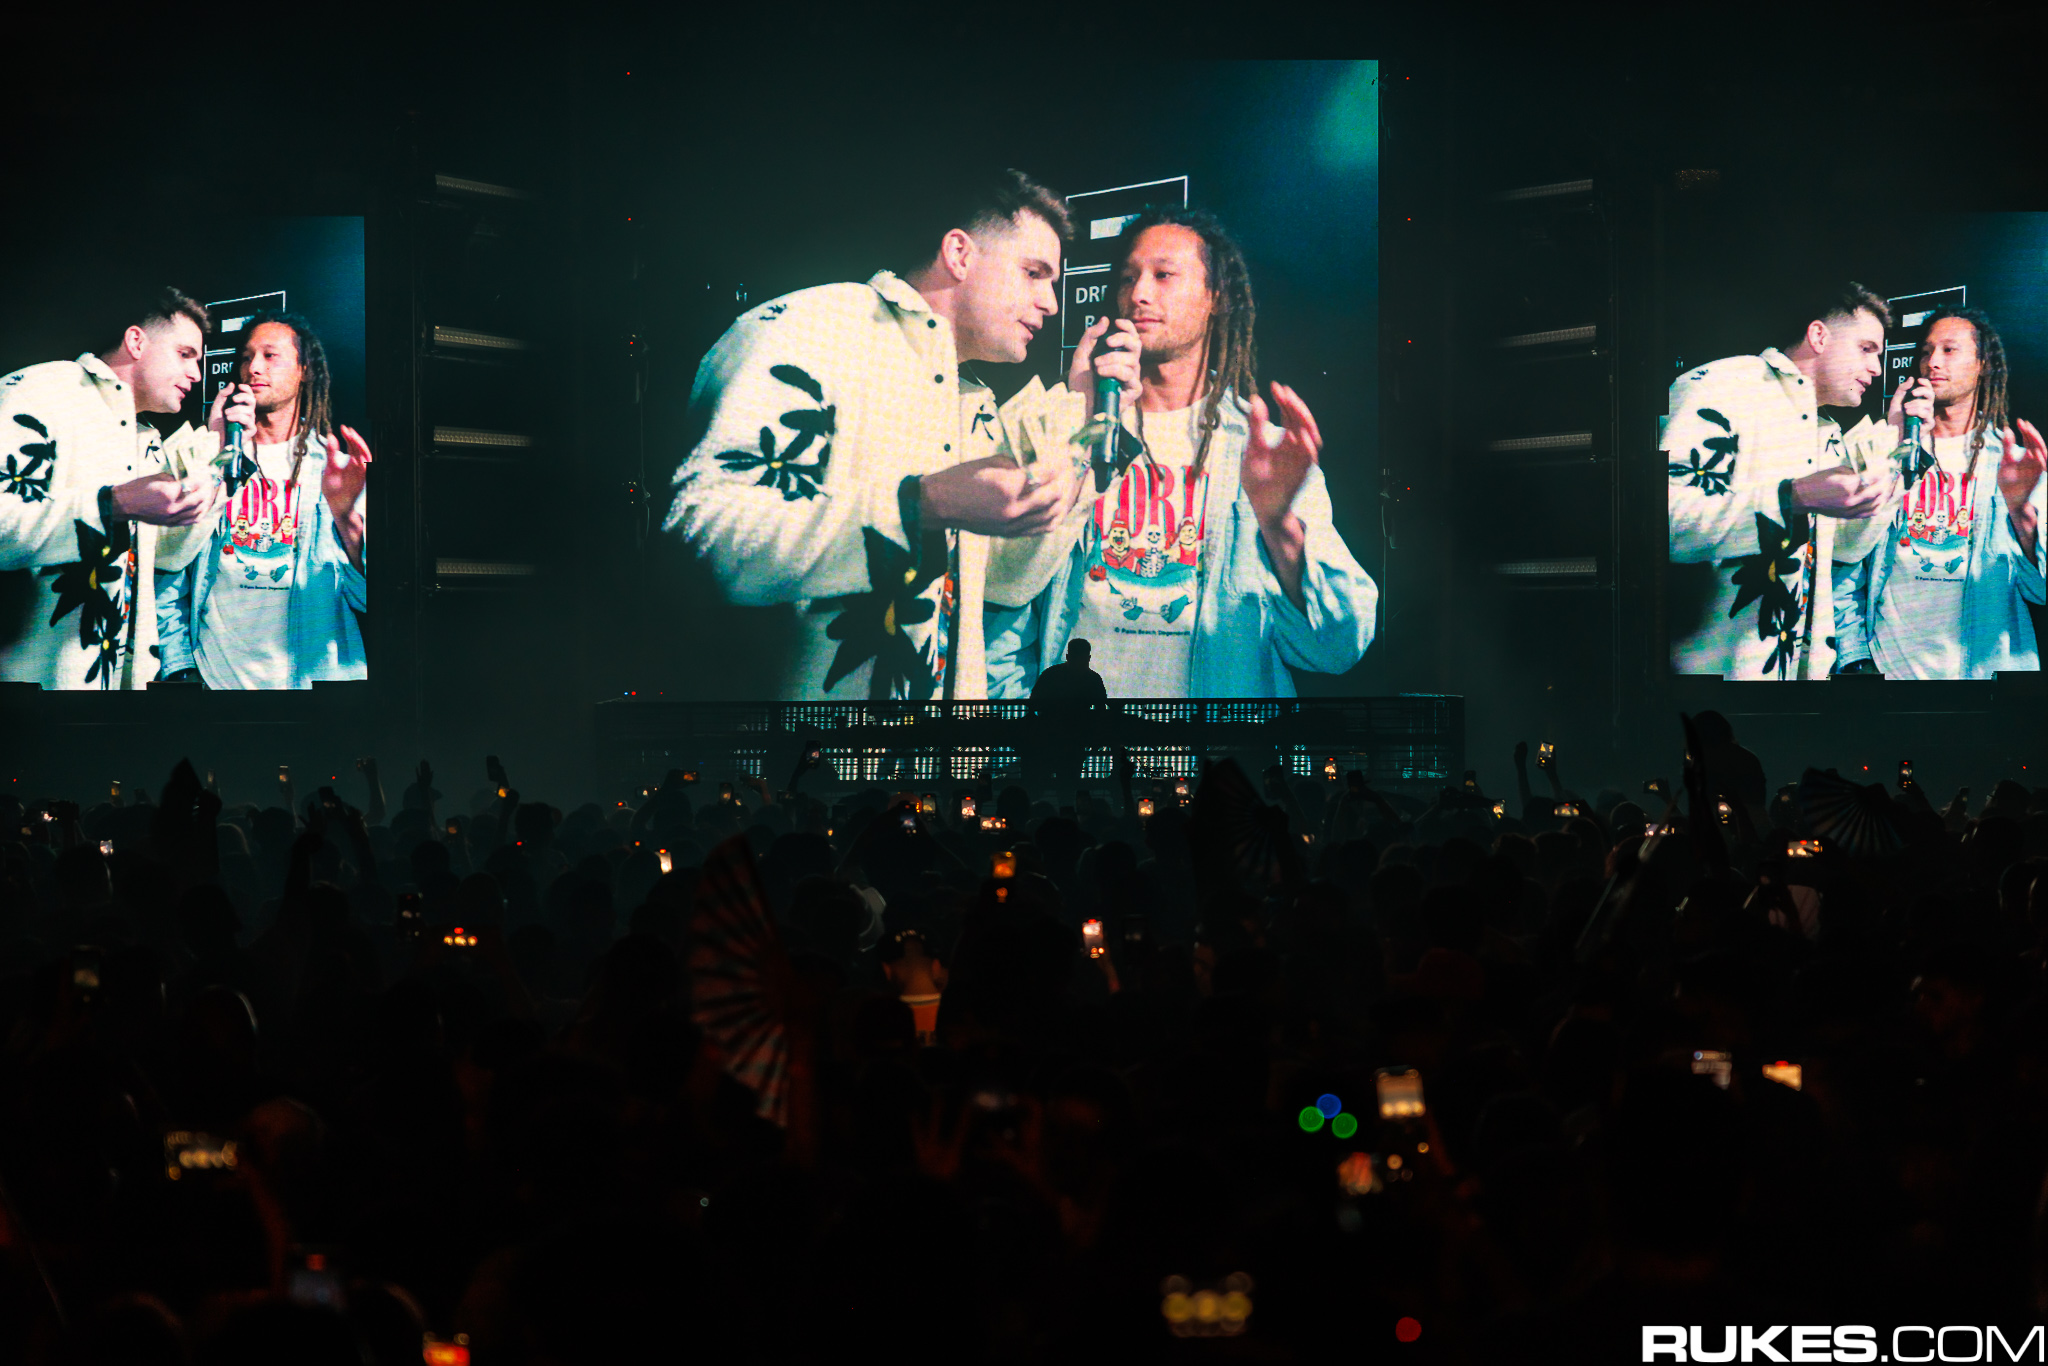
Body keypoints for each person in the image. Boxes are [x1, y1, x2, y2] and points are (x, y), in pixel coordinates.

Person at [665, 168, 1088, 702]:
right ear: (959, 254)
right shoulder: (814, 330)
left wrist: (1087, 415)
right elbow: (707, 537)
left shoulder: (965, 396)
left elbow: (1006, 583)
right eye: (1034, 273)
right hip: (800, 750)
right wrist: (921, 504)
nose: (1051, 302)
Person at [984, 206, 1378, 697]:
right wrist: (1029, 725)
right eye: (1128, 278)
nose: (1139, 294)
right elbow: (1004, 606)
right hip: (1080, 739)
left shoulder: (1262, 453)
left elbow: (1338, 646)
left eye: (1164, 275)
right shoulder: (1073, 426)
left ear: (1216, 297)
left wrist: (1278, 525)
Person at [1664, 281, 1892, 679]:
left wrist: (1893, 451)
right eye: (1866, 348)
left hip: (1793, 672)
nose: (1877, 368)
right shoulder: (1725, 385)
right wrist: (1793, 497)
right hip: (1715, 675)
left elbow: (1845, 550)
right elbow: (1665, 521)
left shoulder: (1823, 429)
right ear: (1818, 336)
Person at [0, 286, 220, 688]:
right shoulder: (43, 390)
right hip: (32, 690)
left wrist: (216, 453)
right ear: (136, 341)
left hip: (113, 684)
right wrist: (112, 504)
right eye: (185, 354)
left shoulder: (142, 436)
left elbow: (168, 557)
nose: (197, 374)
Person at [156, 311, 370, 688]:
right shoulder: (211, 456)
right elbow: (170, 568)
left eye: (270, 356)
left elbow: (370, 598)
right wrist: (181, 669)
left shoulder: (334, 469)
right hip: (217, 683)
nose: (253, 368)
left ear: (304, 370)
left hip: (314, 688)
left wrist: (346, 516)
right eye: (246, 357)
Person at [1830, 307, 2046, 679]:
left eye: (1949, 350)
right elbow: (1846, 560)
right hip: (1889, 673)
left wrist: (2021, 511)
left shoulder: (2010, 462)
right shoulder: (1888, 448)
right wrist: (1856, 660)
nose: (1933, 362)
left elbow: (2040, 590)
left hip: (1983, 680)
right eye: (1926, 351)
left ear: (1982, 365)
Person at [1027, 637, 1109, 788]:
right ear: (1088, 658)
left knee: (1041, 781)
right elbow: (1100, 709)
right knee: (1069, 783)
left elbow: (1033, 702)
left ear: (1067, 656)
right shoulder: (1093, 679)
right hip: (1076, 739)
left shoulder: (1050, 674)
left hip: (1048, 736)